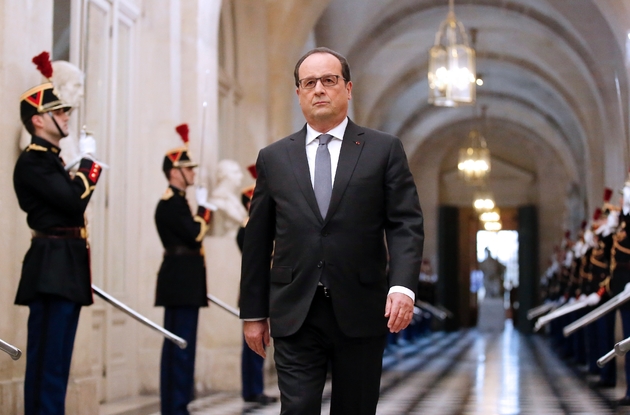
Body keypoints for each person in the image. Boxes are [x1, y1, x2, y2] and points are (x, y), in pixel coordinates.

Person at [239, 47, 424, 415]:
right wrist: (253, 312)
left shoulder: (383, 150)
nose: (319, 89)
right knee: (298, 409)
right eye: (309, 83)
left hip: (361, 306)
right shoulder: (275, 158)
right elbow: (257, 239)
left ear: (348, 87)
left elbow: (405, 223)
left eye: (329, 80)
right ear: (299, 93)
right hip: (295, 309)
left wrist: (402, 287)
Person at [13, 51, 104, 415]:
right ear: (38, 119)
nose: (67, 116)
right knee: (48, 363)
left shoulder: (49, 160)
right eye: (60, 111)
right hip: (52, 266)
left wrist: (82, 167)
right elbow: (72, 201)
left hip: (63, 265)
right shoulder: (34, 160)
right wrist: (88, 167)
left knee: (57, 361)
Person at [154, 124, 214, 414]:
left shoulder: (179, 203)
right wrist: (204, 211)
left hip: (184, 282)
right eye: (188, 169)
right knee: (179, 346)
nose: (192, 173)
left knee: (182, 345)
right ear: (175, 171)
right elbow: (193, 234)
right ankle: (175, 405)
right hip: (179, 282)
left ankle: (178, 403)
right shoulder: (171, 204)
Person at [237, 165, 277, 405]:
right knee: (253, 342)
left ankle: (256, 387)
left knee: (261, 343)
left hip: (270, 289)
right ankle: (251, 389)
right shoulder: (247, 229)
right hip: (255, 291)